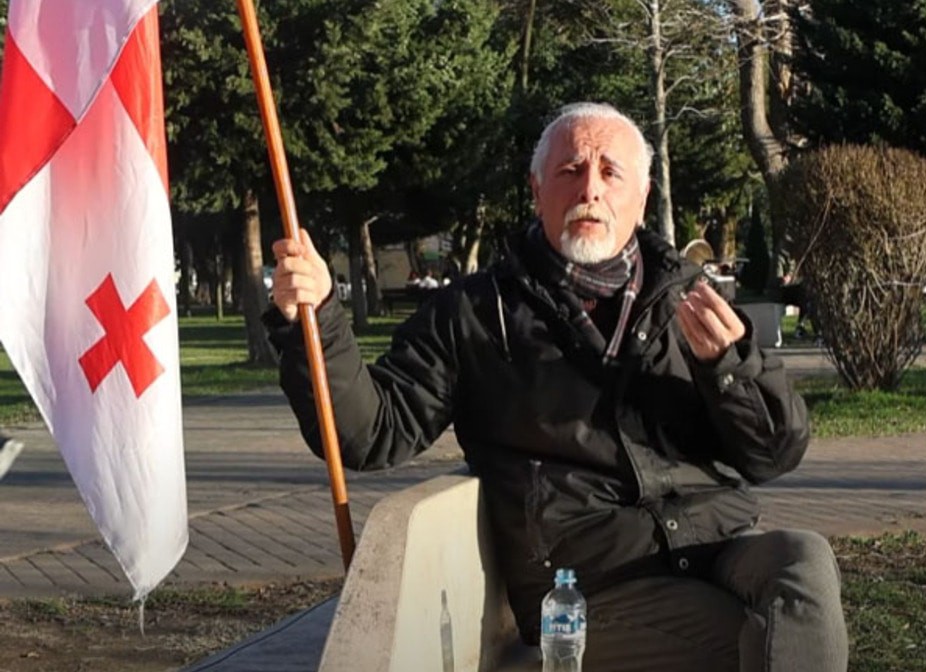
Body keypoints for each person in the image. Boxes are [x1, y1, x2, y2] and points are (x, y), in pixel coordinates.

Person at [264, 102, 848, 672]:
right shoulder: (476, 314)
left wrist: (729, 368)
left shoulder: (687, 299)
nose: (590, 188)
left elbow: (774, 453)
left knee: (803, 558)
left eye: (610, 172)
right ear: (537, 189)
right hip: (589, 585)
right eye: (570, 170)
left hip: (716, 545)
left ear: (642, 197)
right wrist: (316, 320)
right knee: (757, 638)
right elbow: (372, 432)